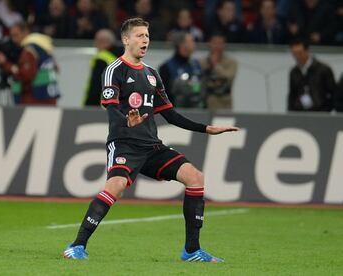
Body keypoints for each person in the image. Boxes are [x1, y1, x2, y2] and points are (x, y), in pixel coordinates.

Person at [64, 17, 239, 262]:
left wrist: (206, 128)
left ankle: (191, 251)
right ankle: (77, 246)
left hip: (151, 146)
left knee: (195, 177)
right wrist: (127, 120)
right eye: (139, 35)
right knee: (114, 188)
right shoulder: (114, 70)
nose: (145, 40)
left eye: (147, 35)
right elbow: (111, 108)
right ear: (126, 39)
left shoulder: (152, 75)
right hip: (124, 143)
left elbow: (169, 113)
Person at [0, 21, 60, 105]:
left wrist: (5, 64)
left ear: (26, 32)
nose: (14, 40)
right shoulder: (42, 45)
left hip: (35, 99)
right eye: (12, 36)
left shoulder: (29, 50)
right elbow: (57, 69)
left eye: (16, 35)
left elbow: (26, 75)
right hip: (50, 94)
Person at [288, 39, 336, 111]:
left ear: (307, 51)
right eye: (295, 54)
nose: (297, 57)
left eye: (300, 53)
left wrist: (327, 110)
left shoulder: (323, 69)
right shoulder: (294, 72)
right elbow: (292, 94)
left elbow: (333, 92)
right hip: (299, 112)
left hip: (320, 112)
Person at [159, 32, 203, 108]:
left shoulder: (197, 65)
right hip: (176, 111)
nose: (194, 44)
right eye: (191, 41)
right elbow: (164, 95)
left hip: (197, 110)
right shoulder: (166, 68)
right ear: (182, 45)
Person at [83, 29, 122, 106]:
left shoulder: (102, 59)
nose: (95, 45)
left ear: (103, 42)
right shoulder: (125, 58)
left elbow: (96, 86)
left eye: (97, 41)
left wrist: (89, 106)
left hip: (102, 109)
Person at [201, 33, 237, 111]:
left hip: (225, 102)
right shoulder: (202, 62)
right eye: (214, 43)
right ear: (209, 44)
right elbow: (202, 80)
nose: (217, 46)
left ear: (224, 45)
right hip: (206, 101)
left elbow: (228, 77)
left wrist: (215, 65)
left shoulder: (231, 62)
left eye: (220, 43)